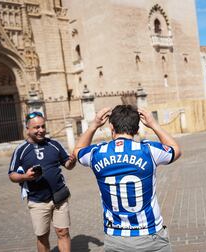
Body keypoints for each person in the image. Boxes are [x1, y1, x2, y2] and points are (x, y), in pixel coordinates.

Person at [74, 105, 181, 252]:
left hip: (116, 237)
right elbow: (175, 149)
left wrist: (94, 125)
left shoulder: (97, 153)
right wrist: (154, 124)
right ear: (137, 129)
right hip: (150, 235)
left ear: (111, 127)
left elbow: (77, 151)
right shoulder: (149, 151)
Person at [8, 111, 76, 252]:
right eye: (36, 127)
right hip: (37, 200)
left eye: (43, 126)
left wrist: (72, 160)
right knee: (42, 236)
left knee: (63, 232)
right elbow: (12, 175)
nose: (41, 130)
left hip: (59, 197)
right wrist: (25, 177)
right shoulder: (20, 150)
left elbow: (68, 165)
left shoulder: (54, 144)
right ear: (27, 129)